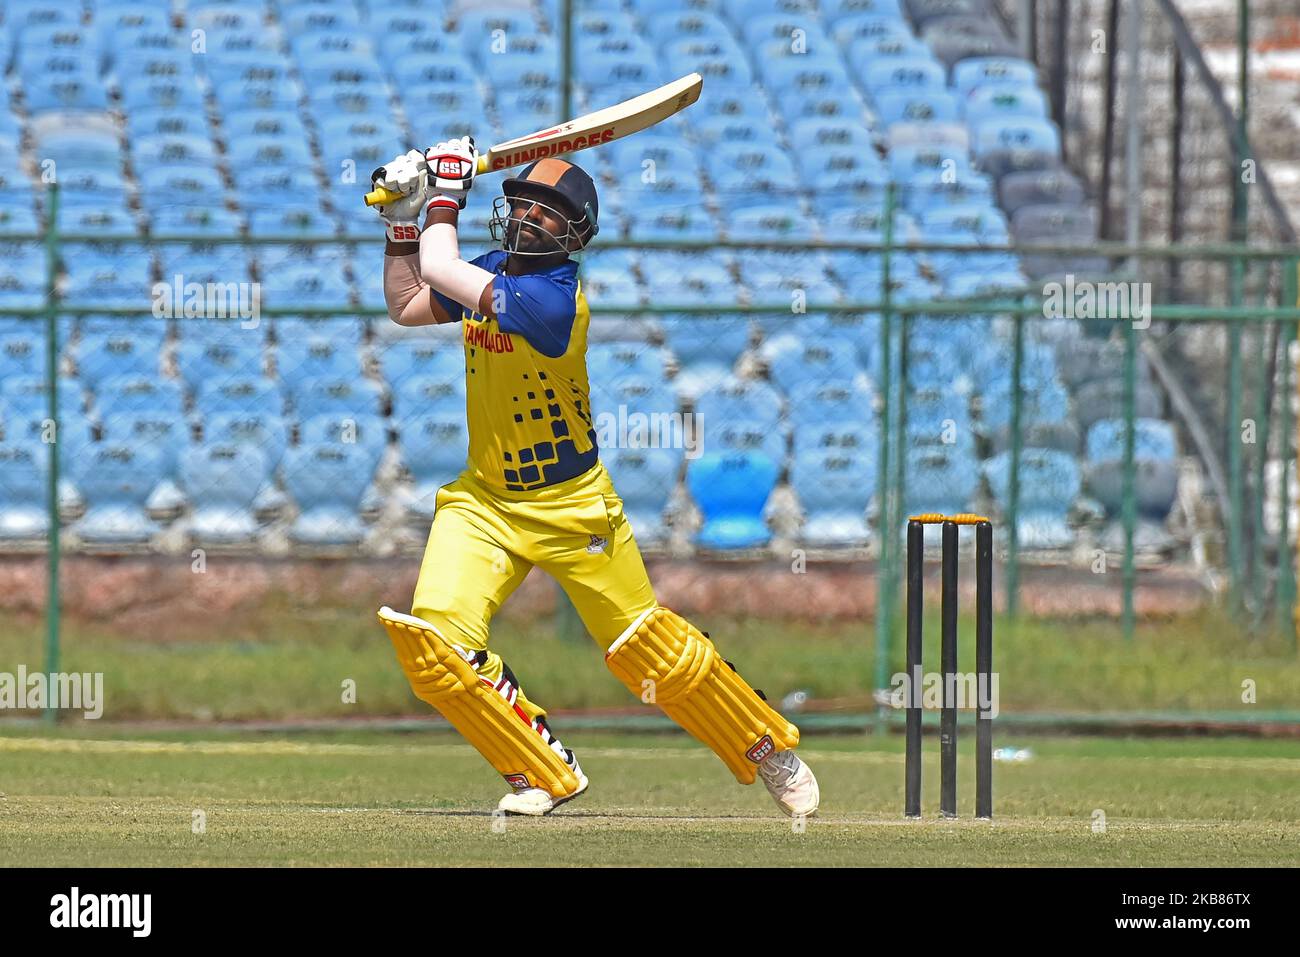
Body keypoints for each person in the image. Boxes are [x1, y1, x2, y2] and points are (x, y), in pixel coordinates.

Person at [372, 137, 819, 818]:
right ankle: (541, 772)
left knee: (651, 654)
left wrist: (442, 195)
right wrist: (404, 221)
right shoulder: (488, 270)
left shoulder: (552, 302)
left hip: (572, 504)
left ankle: (766, 748)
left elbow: (440, 261)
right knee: (436, 649)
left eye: (549, 215)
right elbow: (408, 300)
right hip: (484, 501)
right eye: (523, 203)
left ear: (575, 235)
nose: (529, 218)